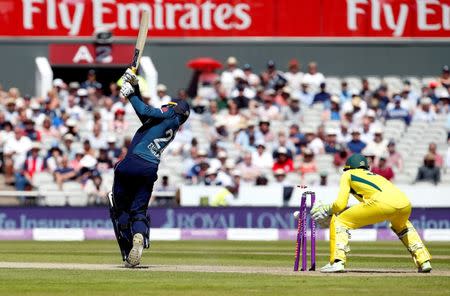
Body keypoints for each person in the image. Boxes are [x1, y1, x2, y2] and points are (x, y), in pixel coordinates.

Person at [108, 69, 190, 268]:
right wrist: (134, 87)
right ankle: (138, 234)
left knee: (121, 208)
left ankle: (128, 246)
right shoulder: (170, 124)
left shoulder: (170, 113)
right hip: (150, 168)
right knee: (139, 210)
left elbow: (145, 111)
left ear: (174, 109)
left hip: (132, 162)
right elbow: (143, 114)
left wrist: (129, 94)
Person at [310, 154, 432, 273]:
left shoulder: (348, 174)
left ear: (348, 167)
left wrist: (327, 209)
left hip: (382, 203)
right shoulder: (376, 176)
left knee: (340, 222)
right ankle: (424, 261)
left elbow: (340, 204)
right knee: (403, 226)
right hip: (405, 204)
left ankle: (337, 262)